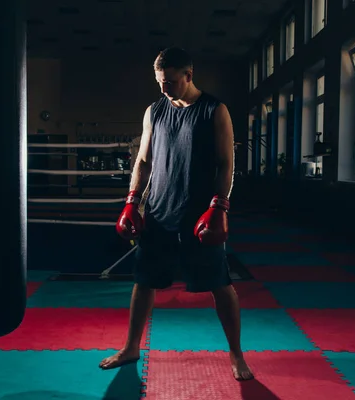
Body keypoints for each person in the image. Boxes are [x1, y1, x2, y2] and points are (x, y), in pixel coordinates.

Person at [99, 47, 254, 381]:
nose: (164, 88)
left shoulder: (215, 110)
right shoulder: (154, 111)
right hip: (158, 211)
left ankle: (237, 354)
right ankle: (130, 347)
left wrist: (219, 206)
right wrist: (132, 200)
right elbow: (143, 161)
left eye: (169, 81)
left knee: (220, 284)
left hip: (199, 216)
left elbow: (227, 163)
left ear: (189, 75)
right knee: (143, 282)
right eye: (159, 82)